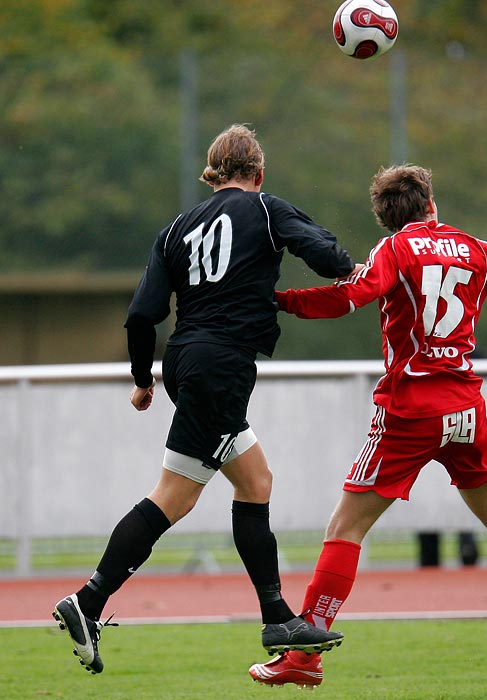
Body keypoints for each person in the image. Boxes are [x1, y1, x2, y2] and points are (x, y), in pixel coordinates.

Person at [249, 164, 487, 688]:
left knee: (345, 528)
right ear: (431, 203)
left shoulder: (392, 250)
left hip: (411, 408)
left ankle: (305, 655)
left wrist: (278, 301)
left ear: (385, 217)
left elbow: (349, 297)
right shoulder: (475, 248)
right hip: (465, 409)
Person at [52, 124, 350, 674]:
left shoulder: (175, 229)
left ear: (213, 174)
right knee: (174, 496)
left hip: (187, 361)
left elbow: (142, 314)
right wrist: (350, 265)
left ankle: (277, 616)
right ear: (258, 175)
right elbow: (327, 257)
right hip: (222, 366)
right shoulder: (264, 209)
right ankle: (87, 602)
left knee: (256, 481)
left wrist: (143, 378)